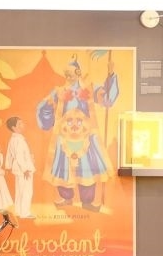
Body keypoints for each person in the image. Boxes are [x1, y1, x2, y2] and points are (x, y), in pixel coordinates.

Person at [36, 56, 118, 212]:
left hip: (85, 136)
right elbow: (44, 106)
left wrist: (111, 76)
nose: (68, 76)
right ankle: (66, 198)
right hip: (64, 135)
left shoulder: (89, 89)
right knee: (63, 167)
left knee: (86, 168)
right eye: (66, 74)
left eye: (71, 73)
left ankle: (87, 202)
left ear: (78, 72)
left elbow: (107, 99)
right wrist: (47, 107)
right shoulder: (59, 91)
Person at [4, 116, 36, 218]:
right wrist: (25, 169)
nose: (23, 125)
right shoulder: (18, 140)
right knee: (27, 191)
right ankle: (25, 213)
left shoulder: (14, 139)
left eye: (22, 123)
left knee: (20, 191)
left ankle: (18, 211)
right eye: (20, 124)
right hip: (24, 169)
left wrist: (8, 166)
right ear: (14, 128)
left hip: (19, 169)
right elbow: (18, 156)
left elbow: (9, 154)